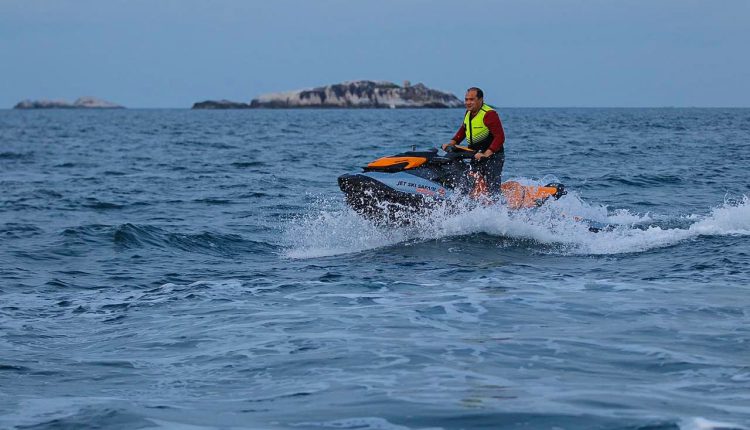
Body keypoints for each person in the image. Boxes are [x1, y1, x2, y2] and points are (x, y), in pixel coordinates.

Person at [442, 87, 505, 196]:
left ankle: (499, 203)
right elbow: (463, 130)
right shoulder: (468, 112)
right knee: (472, 182)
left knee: (493, 189)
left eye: (471, 99)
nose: (468, 102)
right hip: (475, 155)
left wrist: (486, 153)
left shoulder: (489, 114)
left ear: (480, 100)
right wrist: (452, 143)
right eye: (466, 99)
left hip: (493, 157)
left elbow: (500, 137)